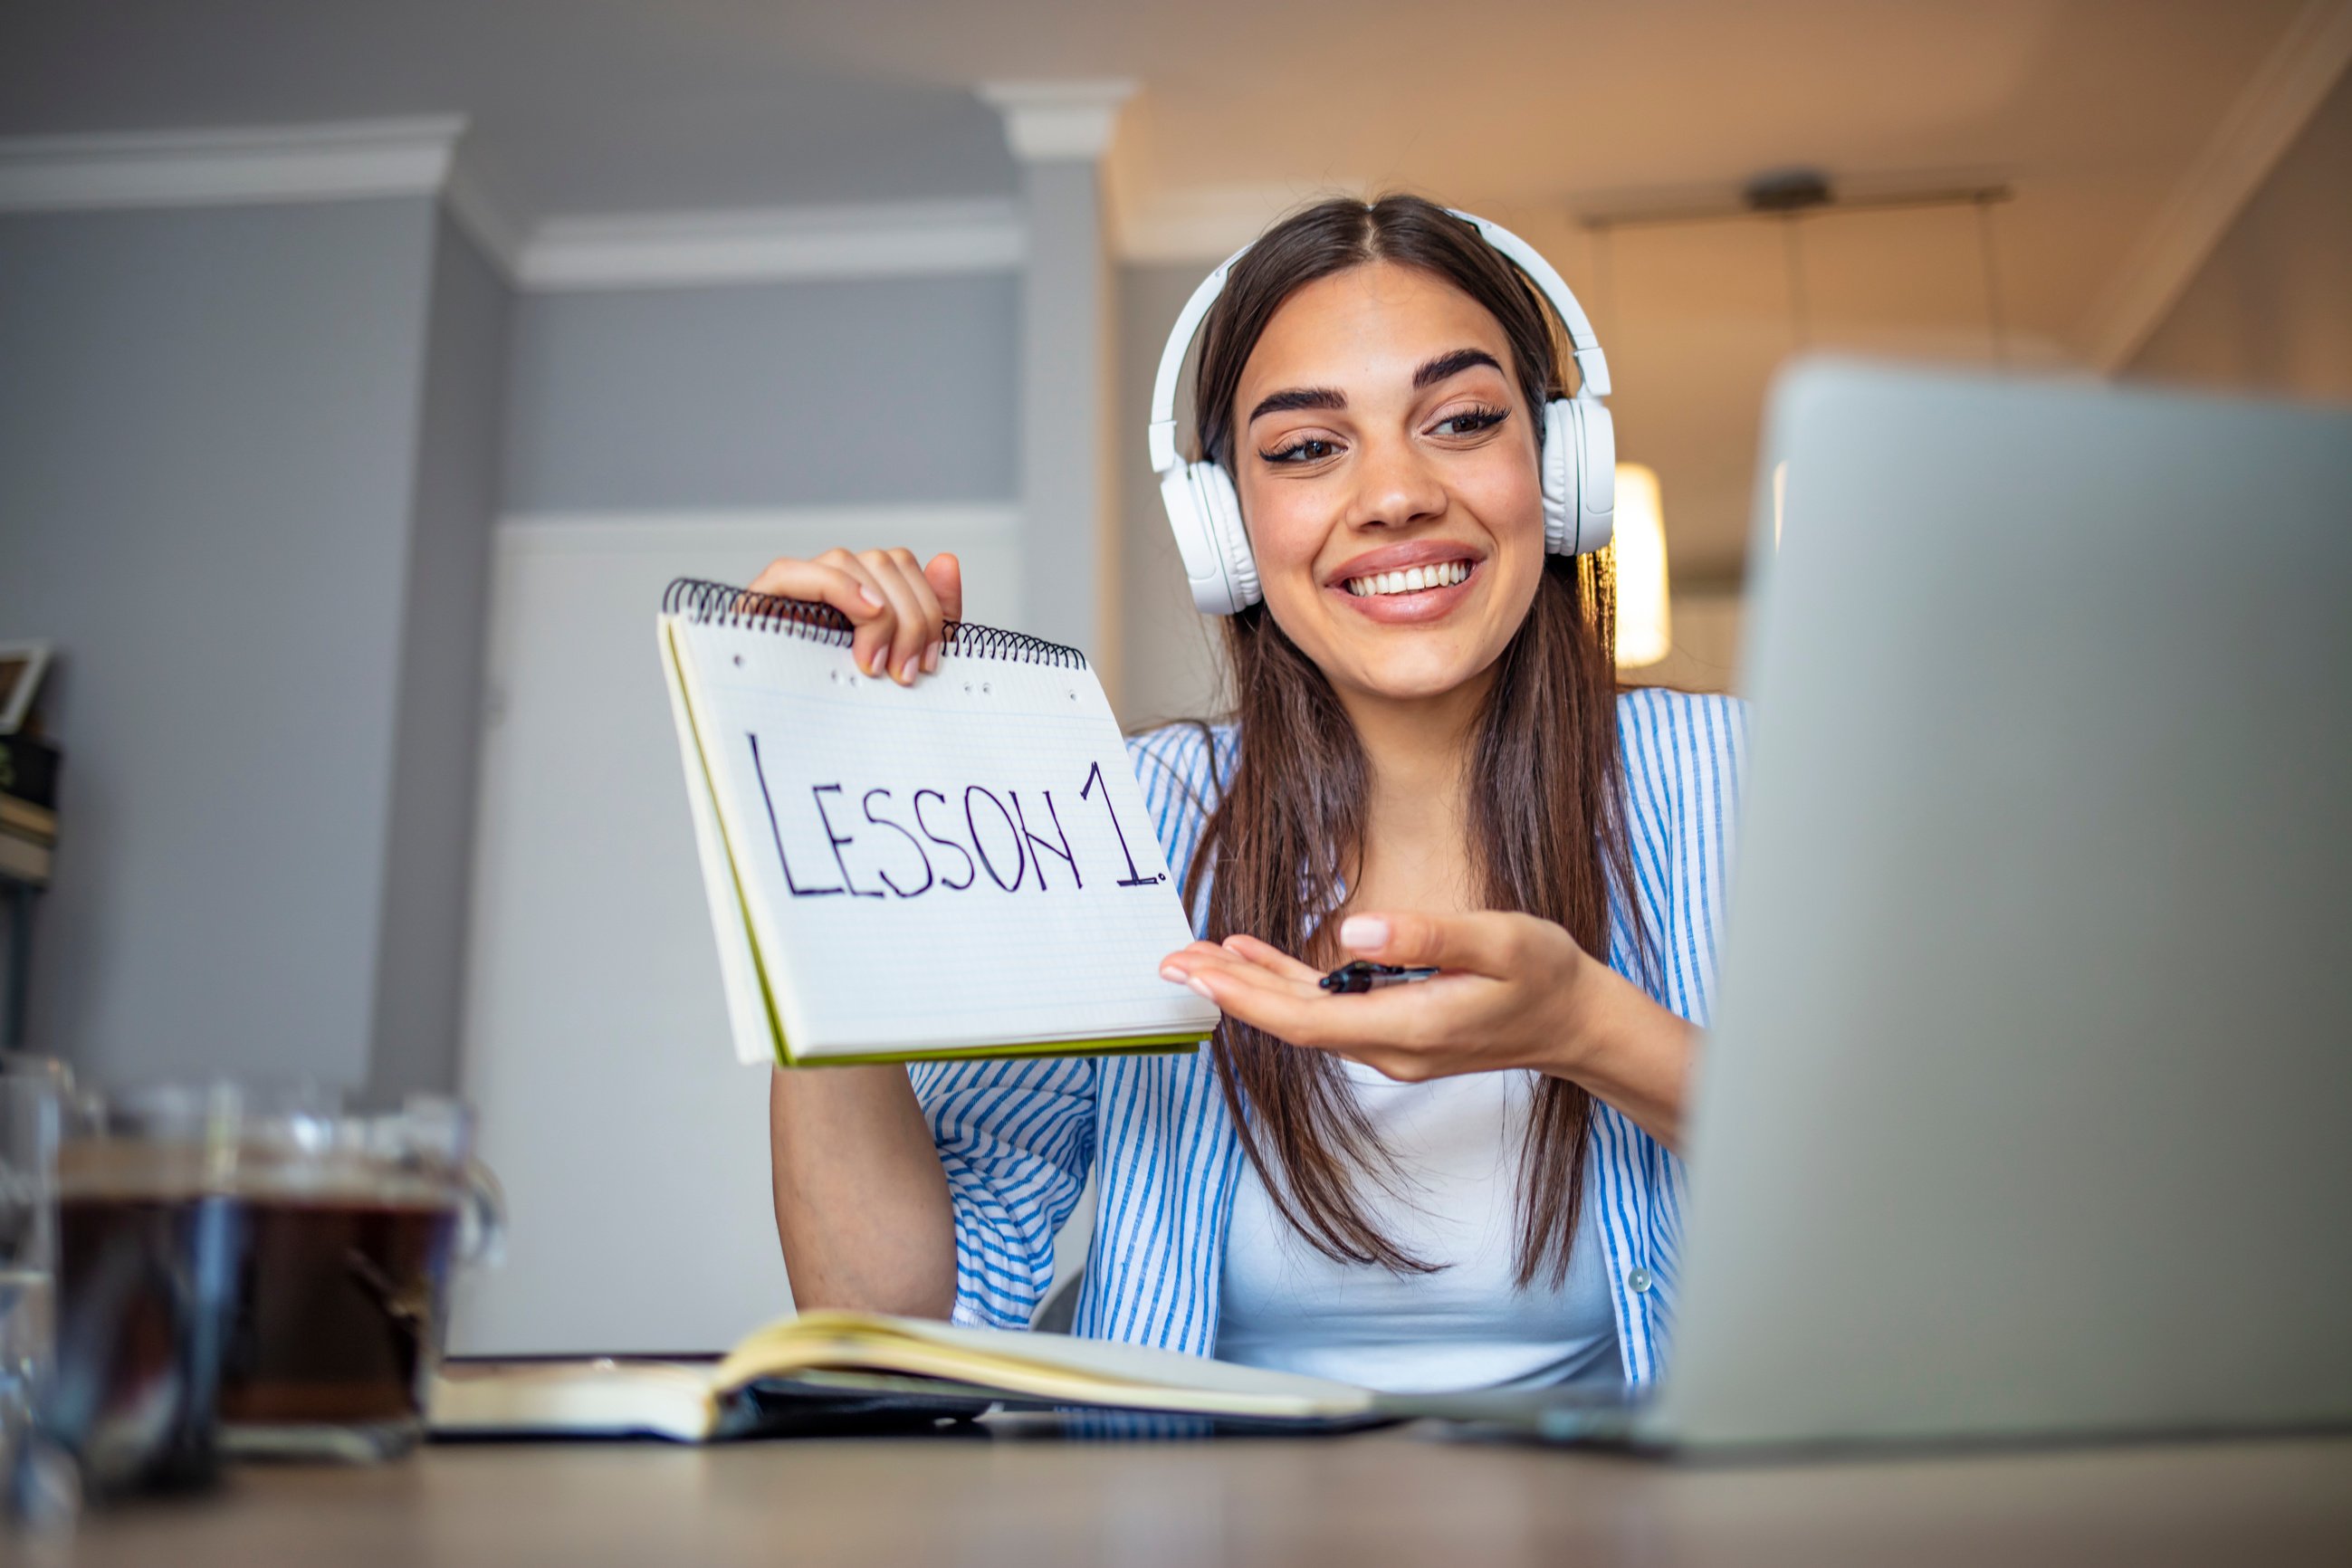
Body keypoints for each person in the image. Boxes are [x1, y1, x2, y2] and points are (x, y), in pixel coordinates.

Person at [746, 194, 1745, 1393]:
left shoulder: (1740, 783)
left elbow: (1921, 1204)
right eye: (1307, 448)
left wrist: (1588, 1031)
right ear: (1222, 523)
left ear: (1559, 463)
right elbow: (900, 1321)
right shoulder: (1128, 818)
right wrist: (813, 822)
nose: (1395, 494)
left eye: (1463, 420)